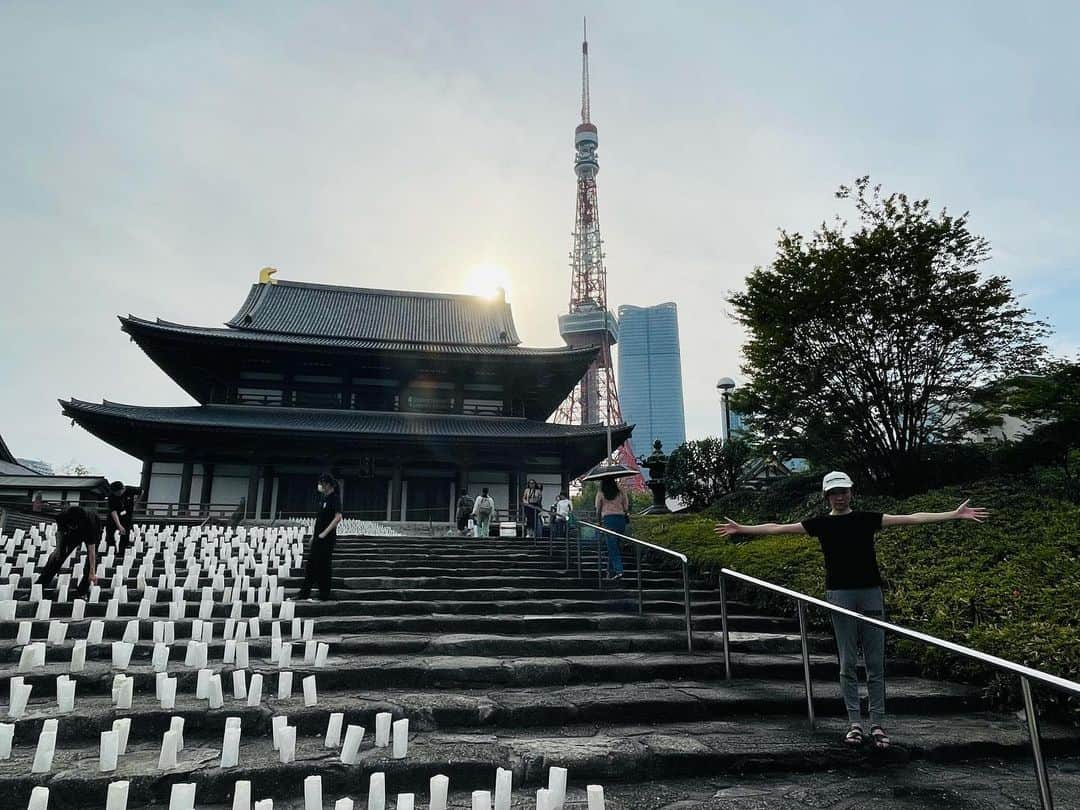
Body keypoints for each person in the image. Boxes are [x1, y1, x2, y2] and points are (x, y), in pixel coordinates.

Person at [714, 470, 989, 751]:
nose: (840, 497)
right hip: (839, 595)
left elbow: (912, 518)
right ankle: (855, 723)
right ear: (827, 497)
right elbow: (778, 528)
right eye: (834, 493)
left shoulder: (866, 518)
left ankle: (878, 724)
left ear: (850, 493)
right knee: (847, 662)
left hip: (871, 593)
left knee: (875, 663)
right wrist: (743, 529)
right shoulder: (821, 524)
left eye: (844, 491)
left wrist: (953, 514)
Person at [35, 506, 99, 598]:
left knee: (90, 564)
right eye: (71, 526)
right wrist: (58, 550)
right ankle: (39, 586)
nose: (72, 527)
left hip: (93, 529)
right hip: (73, 534)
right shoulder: (62, 517)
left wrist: (92, 572)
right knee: (57, 558)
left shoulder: (90, 524)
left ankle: (82, 591)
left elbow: (92, 551)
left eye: (74, 526)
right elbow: (60, 533)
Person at [298, 474, 343, 601]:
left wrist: (325, 533)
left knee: (323, 565)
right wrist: (314, 535)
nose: (320, 486)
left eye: (321, 483)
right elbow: (320, 520)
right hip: (318, 536)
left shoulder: (334, 498)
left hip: (327, 538)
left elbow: (338, 517)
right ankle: (304, 593)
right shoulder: (324, 499)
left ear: (328, 484)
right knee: (311, 564)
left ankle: (324, 594)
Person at [594, 478, 630, 580]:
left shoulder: (601, 493)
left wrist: (599, 522)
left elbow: (598, 509)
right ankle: (609, 572)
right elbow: (626, 506)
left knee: (612, 546)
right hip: (620, 519)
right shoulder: (621, 491)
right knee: (614, 546)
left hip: (608, 520)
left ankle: (619, 571)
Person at [106, 480, 128, 554]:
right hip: (113, 517)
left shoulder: (130, 490)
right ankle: (112, 552)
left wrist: (135, 504)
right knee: (109, 534)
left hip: (125, 516)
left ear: (122, 489)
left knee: (124, 533)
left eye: (118, 492)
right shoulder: (111, 496)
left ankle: (122, 552)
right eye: (114, 492)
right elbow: (113, 511)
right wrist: (119, 525)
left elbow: (141, 491)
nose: (116, 494)